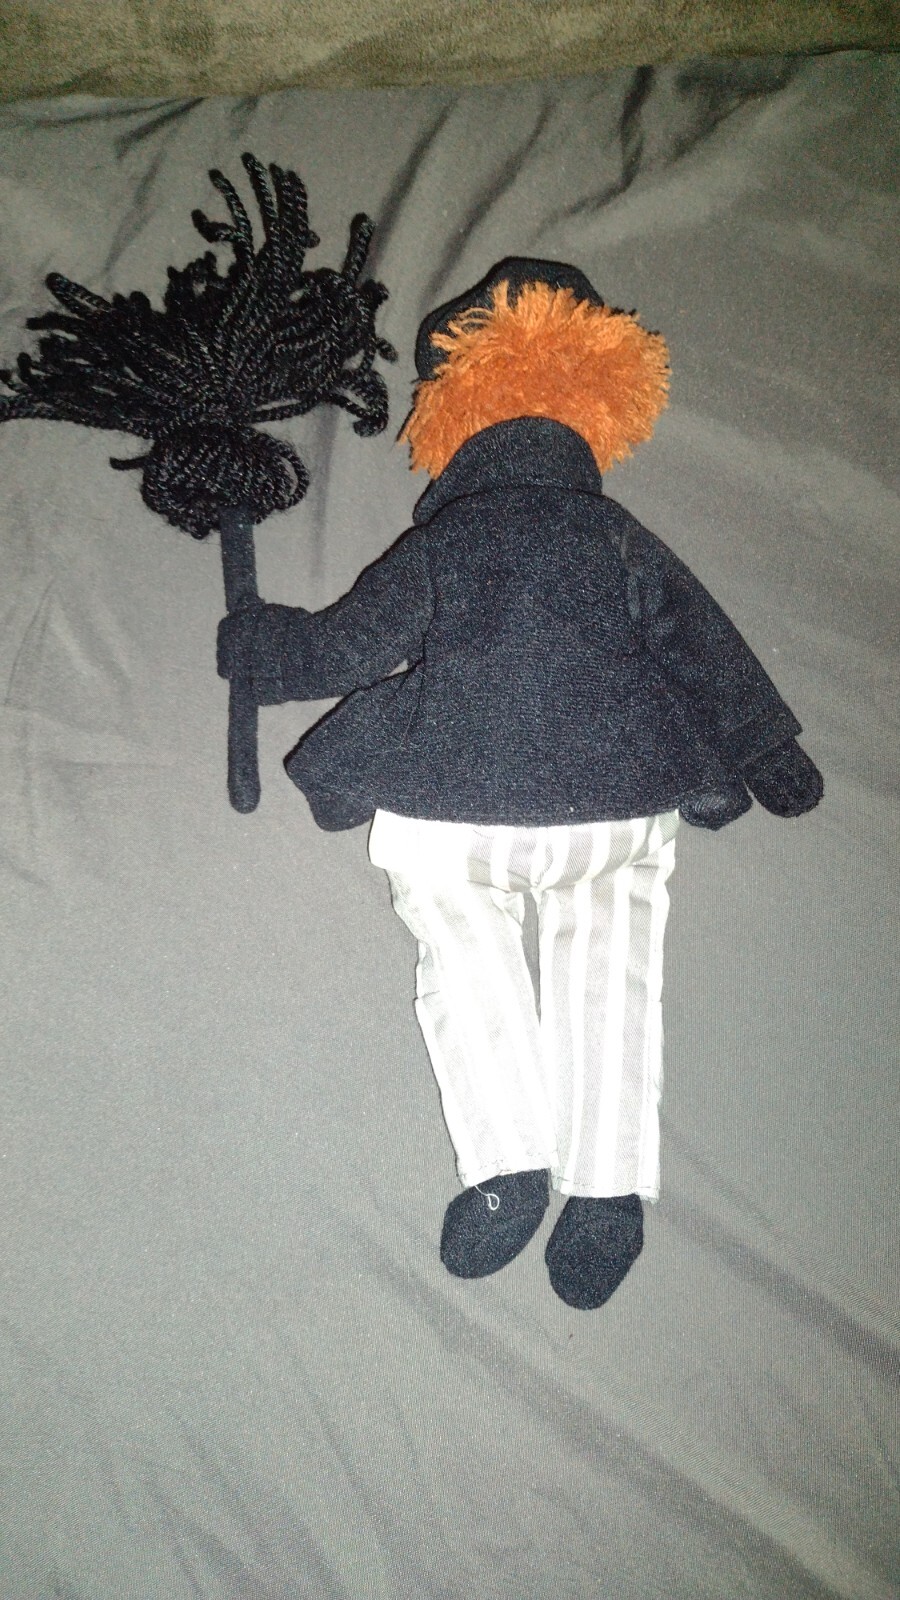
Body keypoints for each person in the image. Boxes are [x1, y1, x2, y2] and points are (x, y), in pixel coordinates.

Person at [217, 259, 822, 1309]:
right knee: (613, 966)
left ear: (453, 413)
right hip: (618, 797)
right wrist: (768, 750)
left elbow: (351, 644)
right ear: (600, 412)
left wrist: (265, 650)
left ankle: (507, 1168)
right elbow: (703, 643)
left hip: (456, 805)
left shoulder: (449, 541)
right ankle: (607, 1195)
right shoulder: (617, 537)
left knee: (462, 952)